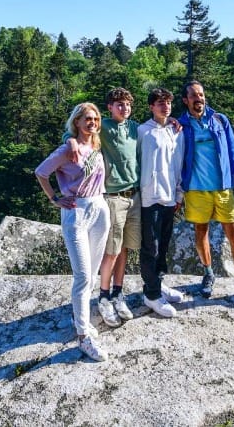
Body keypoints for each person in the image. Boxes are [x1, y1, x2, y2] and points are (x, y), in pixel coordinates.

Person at [35, 102, 112, 361]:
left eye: (95, 119)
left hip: (100, 208)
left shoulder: (95, 146)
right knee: (82, 276)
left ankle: (83, 320)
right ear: (77, 122)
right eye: (87, 119)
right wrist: (55, 198)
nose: (92, 122)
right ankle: (83, 336)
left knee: (91, 274)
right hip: (76, 211)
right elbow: (41, 172)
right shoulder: (68, 149)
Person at [178, 80, 234, 311]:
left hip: (223, 188)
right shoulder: (180, 125)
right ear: (186, 100)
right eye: (194, 96)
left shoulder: (219, 120)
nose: (199, 99)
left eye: (201, 95)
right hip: (195, 189)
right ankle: (208, 273)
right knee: (200, 232)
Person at [93, 88, 142, 327]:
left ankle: (118, 293)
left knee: (125, 248)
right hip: (113, 196)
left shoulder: (134, 128)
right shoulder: (103, 127)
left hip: (135, 196)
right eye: (119, 104)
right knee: (111, 249)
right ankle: (103, 297)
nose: (124, 108)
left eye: (127, 104)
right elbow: (76, 131)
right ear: (110, 107)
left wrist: (173, 121)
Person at [136, 88, 187, 317]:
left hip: (169, 197)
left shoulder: (176, 132)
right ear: (151, 107)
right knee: (151, 246)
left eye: (167, 102)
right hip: (149, 198)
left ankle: (159, 283)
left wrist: (179, 195)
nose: (164, 106)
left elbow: (178, 165)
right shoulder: (142, 132)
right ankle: (152, 294)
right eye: (159, 103)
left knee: (164, 244)